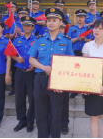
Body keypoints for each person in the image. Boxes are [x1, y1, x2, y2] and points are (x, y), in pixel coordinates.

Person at [28, 7, 74, 138]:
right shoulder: (39, 39)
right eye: (48, 20)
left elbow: (71, 61)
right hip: (40, 79)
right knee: (40, 111)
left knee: (56, 111)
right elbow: (31, 59)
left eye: (54, 20)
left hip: (58, 80)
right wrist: (43, 67)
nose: (51, 23)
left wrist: (64, 83)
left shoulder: (66, 41)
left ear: (60, 23)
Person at [82, 19, 103, 138]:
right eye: (95, 27)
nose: (97, 30)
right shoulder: (87, 46)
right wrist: (84, 85)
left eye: (100, 28)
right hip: (90, 81)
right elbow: (84, 67)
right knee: (93, 116)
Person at [11, 16, 37, 133]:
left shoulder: (37, 40)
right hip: (19, 72)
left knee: (32, 98)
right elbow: (11, 54)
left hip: (32, 73)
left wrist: (34, 65)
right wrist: (16, 58)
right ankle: (22, 120)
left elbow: (40, 55)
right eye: (24, 25)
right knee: (19, 98)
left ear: (32, 27)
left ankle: (30, 121)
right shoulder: (17, 40)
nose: (26, 27)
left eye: (28, 25)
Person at [66, 9, 90, 99]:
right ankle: (74, 90)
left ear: (85, 18)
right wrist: (78, 38)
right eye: (79, 17)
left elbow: (92, 41)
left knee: (84, 72)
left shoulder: (88, 28)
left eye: (82, 17)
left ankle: (84, 90)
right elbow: (68, 41)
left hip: (85, 53)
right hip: (74, 52)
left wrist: (85, 40)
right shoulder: (72, 28)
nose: (80, 19)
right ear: (76, 18)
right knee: (74, 72)